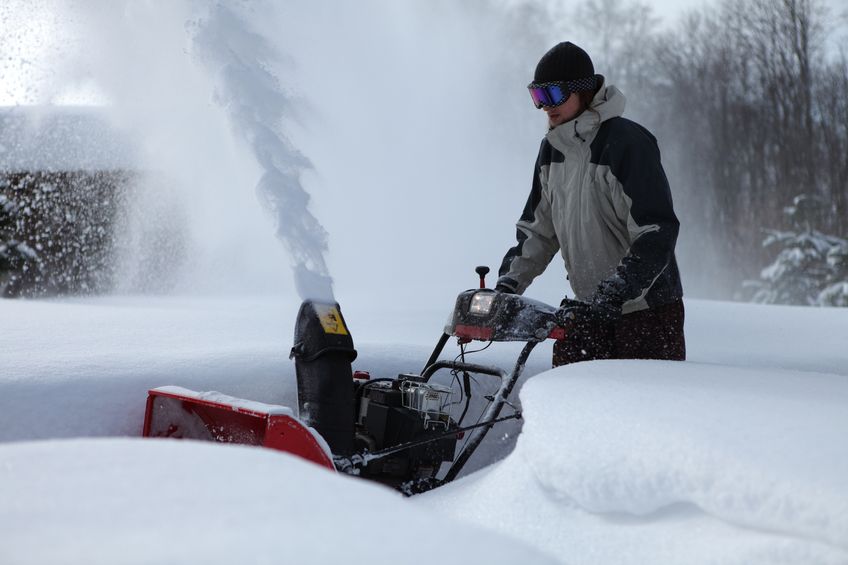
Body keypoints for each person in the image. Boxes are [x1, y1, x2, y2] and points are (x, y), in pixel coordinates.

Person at [495, 41, 685, 367]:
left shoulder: (626, 144)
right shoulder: (552, 150)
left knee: (639, 412)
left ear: (582, 92)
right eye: (538, 97)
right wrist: (506, 288)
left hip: (646, 314)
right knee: (572, 401)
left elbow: (657, 232)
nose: (545, 107)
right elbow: (538, 231)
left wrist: (617, 291)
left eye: (553, 95)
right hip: (591, 309)